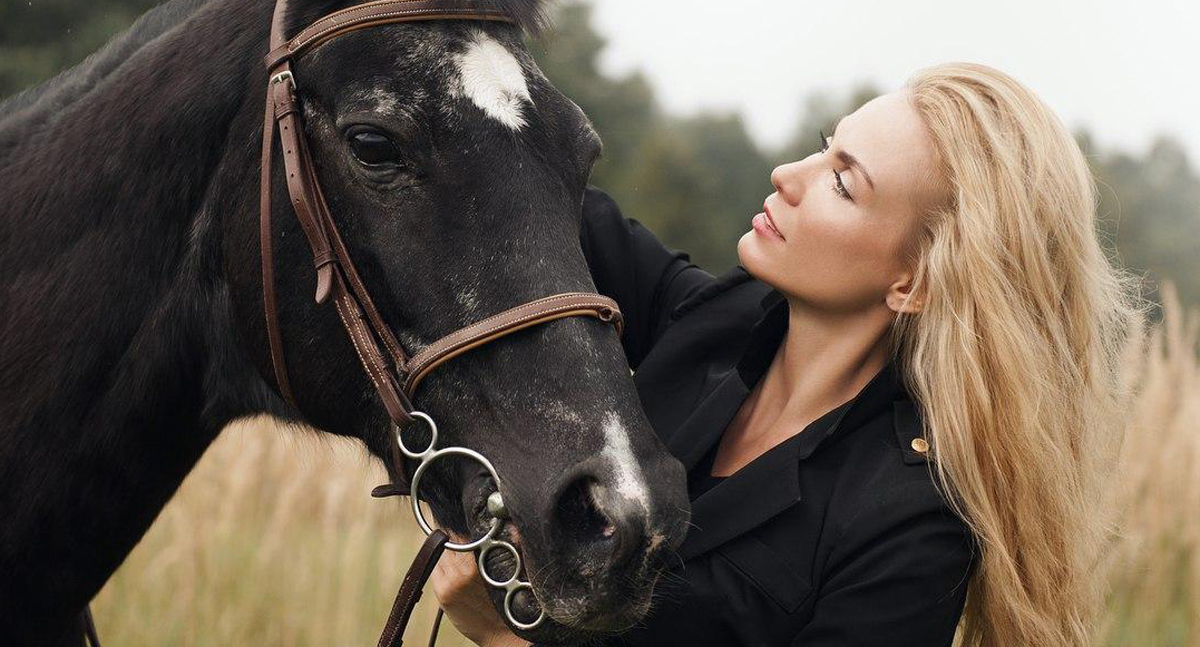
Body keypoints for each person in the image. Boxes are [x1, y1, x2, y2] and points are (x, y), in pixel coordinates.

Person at [430, 63, 1143, 646]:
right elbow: (515, 179)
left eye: (842, 182)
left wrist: (502, 640)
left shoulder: (911, 528)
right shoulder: (715, 321)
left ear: (915, 281)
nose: (788, 175)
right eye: (824, 145)